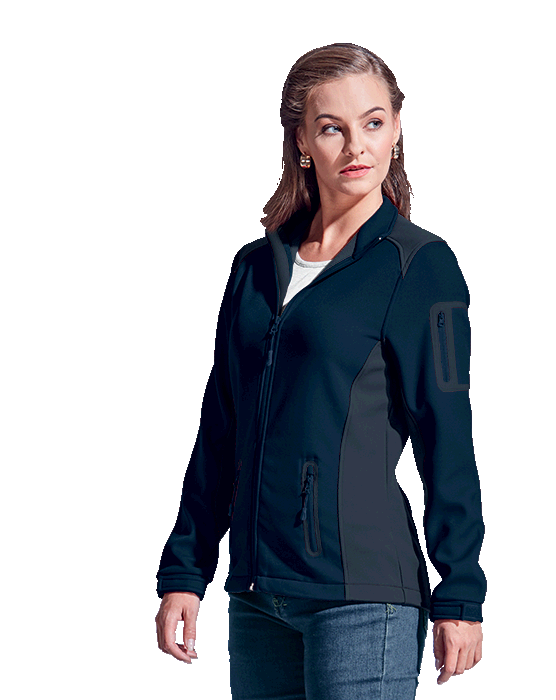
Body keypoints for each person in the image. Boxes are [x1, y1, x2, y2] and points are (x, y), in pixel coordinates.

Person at [155, 39, 486, 700]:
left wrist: (462, 594)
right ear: (304, 141)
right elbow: (220, 427)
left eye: (373, 122)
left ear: (397, 129)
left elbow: (447, 436)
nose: (357, 146)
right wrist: (186, 569)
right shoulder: (256, 266)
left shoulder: (418, 266)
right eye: (332, 128)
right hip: (258, 594)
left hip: (363, 596)